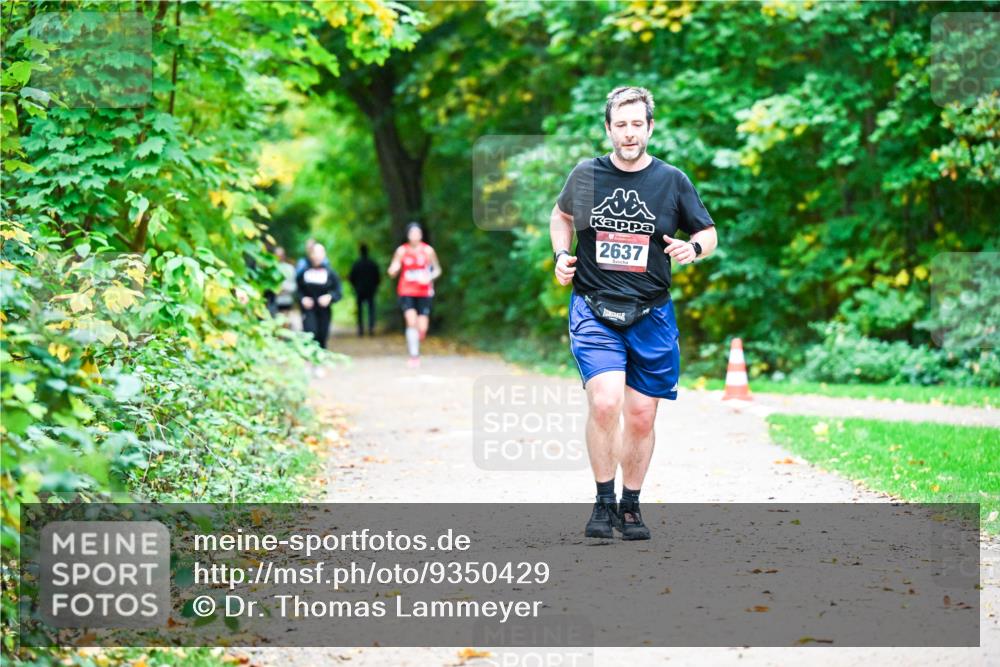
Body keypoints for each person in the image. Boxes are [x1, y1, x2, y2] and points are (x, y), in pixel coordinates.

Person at [550, 86, 718, 540]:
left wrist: (694, 247)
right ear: (608, 129)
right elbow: (560, 216)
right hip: (593, 307)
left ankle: (630, 505)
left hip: (651, 314)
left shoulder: (672, 180)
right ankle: (603, 503)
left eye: (636, 124)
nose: (629, 133)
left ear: (650, 128)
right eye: (620, 125)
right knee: (605, 402)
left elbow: (708, 231)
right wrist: (561, 255)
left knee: (642, 415)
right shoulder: (586, 175)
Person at [387, 222, 441, 368]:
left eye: (417, 233)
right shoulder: (402, 251)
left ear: (421, 235)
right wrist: (393, 269)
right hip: (407, 291)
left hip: (424, 291)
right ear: (408, 235)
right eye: (412, 233)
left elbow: (437, 270)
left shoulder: (428, 251)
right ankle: (414, 355)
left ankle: (419, 335)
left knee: (422, 327)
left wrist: (429, 277)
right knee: (411, 322)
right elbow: (394, 266)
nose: (415, 236)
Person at [296, 242, 342, 349]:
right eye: (314, 253)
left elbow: (338, 292)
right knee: (310, 334)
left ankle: (321, 360)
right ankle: (311, 361)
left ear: (324, 255)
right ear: (310, 255)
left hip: (324, 311)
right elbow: (298, 290)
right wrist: (303, 299)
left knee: (322, 336)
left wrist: (330, 297)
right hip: (309, 311)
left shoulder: (330, 273)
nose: (317, 255)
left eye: (320, 253)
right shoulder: (303, 272)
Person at [348, 243, 381, 337]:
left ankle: (361, 329)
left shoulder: (356, 264)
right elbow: (377, 278)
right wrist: (375, 287)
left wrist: (355, 287)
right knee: (371, 309)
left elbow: (351, 278)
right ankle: (371, 328)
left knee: (360, 310)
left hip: (360, 290)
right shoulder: (372, 264)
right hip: (370, 290)